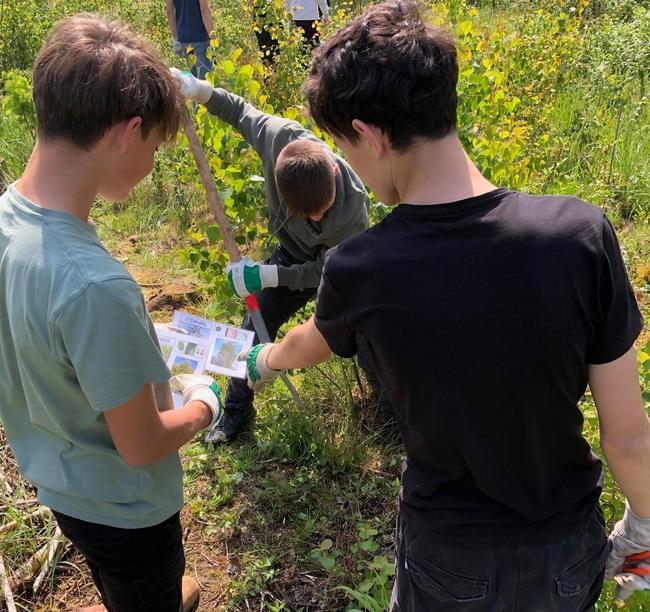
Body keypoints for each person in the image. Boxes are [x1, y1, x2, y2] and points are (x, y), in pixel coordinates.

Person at [239, 1, 650, 610]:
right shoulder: (580, 236)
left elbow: (311, 344)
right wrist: (643, 526)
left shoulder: (364, 268)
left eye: (344, 148)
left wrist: (263, 359)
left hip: (449, 554)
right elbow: (628, 437)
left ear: (370, 135)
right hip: (565, 545)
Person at [0, 15, 223, 612]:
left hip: (61, 482)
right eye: (153, 146)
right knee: (151, 593)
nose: (150, 164)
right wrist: (206, 404)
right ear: (127, 133)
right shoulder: (96, 285)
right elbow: (144, 444)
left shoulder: (8, 220)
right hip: (126, 512)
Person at [172, 69, 397, 443]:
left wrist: (273, 276)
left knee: (366, 336)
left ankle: (391, 421)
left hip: (338, 268)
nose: (315, 219)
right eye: (304, 214)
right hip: (290, 255)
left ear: (335, 171)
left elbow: (323, 271)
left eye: (321, 212)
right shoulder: (279, 139)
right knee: (250, 329)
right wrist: (198, 90)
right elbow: (239, 112)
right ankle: (235, 414)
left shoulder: (352, 211)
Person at [166, 0, 214, 79]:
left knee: (194, 77)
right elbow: (204, 9)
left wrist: (175, 39)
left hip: (184, 38)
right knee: (206, 78)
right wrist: (213, 37)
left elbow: (169, 12)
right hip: (200, 36)